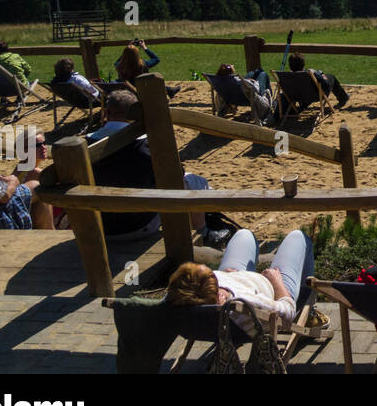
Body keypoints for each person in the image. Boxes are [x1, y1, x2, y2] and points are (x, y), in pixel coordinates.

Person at [81, 91, 209, 237]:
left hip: (98, 227)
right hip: (140, 225)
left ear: (106, 113)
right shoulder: (148, 144)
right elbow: (176, 175)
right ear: (137, 114)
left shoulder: (85, 143)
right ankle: (202, 234)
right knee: (195, 182)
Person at [165, 229, 314, 334]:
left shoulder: (189, 296)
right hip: (271, 288)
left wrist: (226, 277)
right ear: (220, 296)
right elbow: (286, 314)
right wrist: (277, 283)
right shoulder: (245, 305)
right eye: (210, 273)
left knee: (244, 235)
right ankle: (308, 314)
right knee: (298, 237)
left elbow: (199, 287)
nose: (209, 268)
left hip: (237, 279)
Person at [116, 39, 181, 98]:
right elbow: (156, 59)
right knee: (152, 82)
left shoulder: (119, 66)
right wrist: (144, 47)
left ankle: (170, 90)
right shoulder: (143, 64)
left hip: (127, 89)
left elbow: (118, 62)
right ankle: (170, 90)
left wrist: (128, 48)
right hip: (143, 89)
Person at [286, 52, 350, 109]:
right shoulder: (310, 73)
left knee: (306, 88)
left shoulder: (287, 76)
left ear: (290, 65)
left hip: (297, 97)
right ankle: (343, 98)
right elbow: (326, 85)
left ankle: (304, 104)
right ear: (303, 64)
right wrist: (320, 75)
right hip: (316, 96)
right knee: (331, 77)